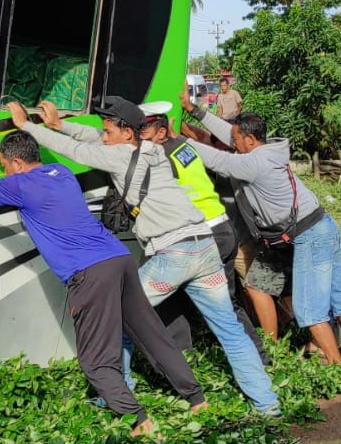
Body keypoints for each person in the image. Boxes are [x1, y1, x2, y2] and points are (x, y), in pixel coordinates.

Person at [0, 123, 205, 437]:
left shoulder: (21, 187)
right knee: (151, 332)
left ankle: (138, 420)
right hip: (119, 259)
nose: (5, 172)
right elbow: (21, 173)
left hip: (89, 274)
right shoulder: (60, 173)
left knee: (94, 361)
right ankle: (196, 398)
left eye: (7, 166)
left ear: (17, 164)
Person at [14, 98, 281, 415]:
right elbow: (93, 140)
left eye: (109, 131)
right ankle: (268, 406)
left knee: (123, 313)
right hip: (204, 246)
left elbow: (78, 151)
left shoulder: (120, 155)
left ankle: (118, 392)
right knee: (231, 332)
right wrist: (61, 125)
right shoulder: (151, 148)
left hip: (174, 254)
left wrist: (26, 126)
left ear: (127, 133)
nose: (104, 136)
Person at [180, 93, 341, 381]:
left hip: (308, 235)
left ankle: (336, 371)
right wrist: (193, 109)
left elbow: (217, 158)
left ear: (249, 140)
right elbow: (225, 138)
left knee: (310, 311)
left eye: (236, 140)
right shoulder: (267, 151)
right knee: (340, 302)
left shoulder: (252, 164)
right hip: (324, 227)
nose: (233, 144)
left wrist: (176, 141)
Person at [138, 102, 267, 365]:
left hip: (200, 235)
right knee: (225, 302)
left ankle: (183, 362)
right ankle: (259, 358)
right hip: (222, 229)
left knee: (170, 298)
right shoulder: (182, 147)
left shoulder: (159, 157)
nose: (141, 139)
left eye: (144, 133)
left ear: (161, 133)